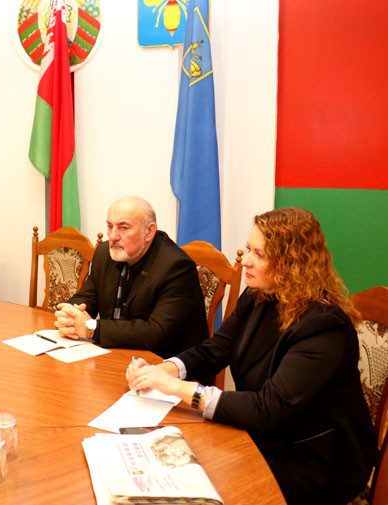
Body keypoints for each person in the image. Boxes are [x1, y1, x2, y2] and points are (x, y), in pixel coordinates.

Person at [126, 208, 376, 505]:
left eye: (260, 254)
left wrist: (178, 389)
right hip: (262, 434)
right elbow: (216, 349)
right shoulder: (259, 295)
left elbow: (268, 408)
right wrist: (165, 369)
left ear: (292, 263)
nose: (246, 260)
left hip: (312, 457)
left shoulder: (323, 325)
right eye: (248, 249)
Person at [54, 196, 207, 358]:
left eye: (124, 228)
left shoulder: (176, 267)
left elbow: (156, 332)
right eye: (110, 226)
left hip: (165, 363)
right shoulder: (104, 253)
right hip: (114, 353)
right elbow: (87, 297)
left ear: (149, 231)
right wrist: (70, 314)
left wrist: (92, 328)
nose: (113, 236)